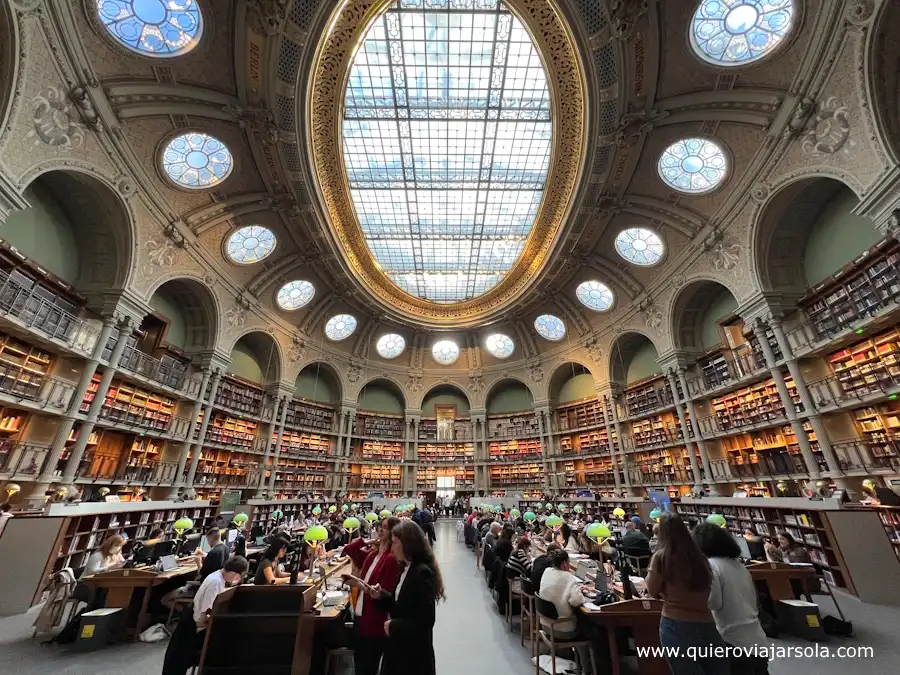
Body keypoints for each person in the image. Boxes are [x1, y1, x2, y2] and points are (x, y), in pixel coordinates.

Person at [645, 514, 728, 675]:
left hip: (676, 622)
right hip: (706, 621)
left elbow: (652, 590)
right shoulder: (700, 558)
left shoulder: (662, 557)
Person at [367, 520, 444, 675]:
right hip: (401, 648)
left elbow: (426, 620)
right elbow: (401, 604)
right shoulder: (405, 568)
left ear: (407, 545)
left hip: (413, 656)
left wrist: (394, 625)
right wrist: (381, 595)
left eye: (395, 543)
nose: (392, 547)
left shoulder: (422, 574)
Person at [693, 523, 769, 675]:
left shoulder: (711, 566)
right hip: (755, 636)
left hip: (732, 639)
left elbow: (714, 602)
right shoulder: (739, 565)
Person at [343, 517, 401, 675]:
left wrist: (366, 588)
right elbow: (349, 549)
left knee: (367, 666)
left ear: (393, 533)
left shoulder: (391, 559)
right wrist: (367, 541)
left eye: (385, 528)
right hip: (360, 615)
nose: (380, 530)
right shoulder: (372, 554)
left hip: (374, 620)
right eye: (379, 527)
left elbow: (386, 593)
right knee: (359, 662)